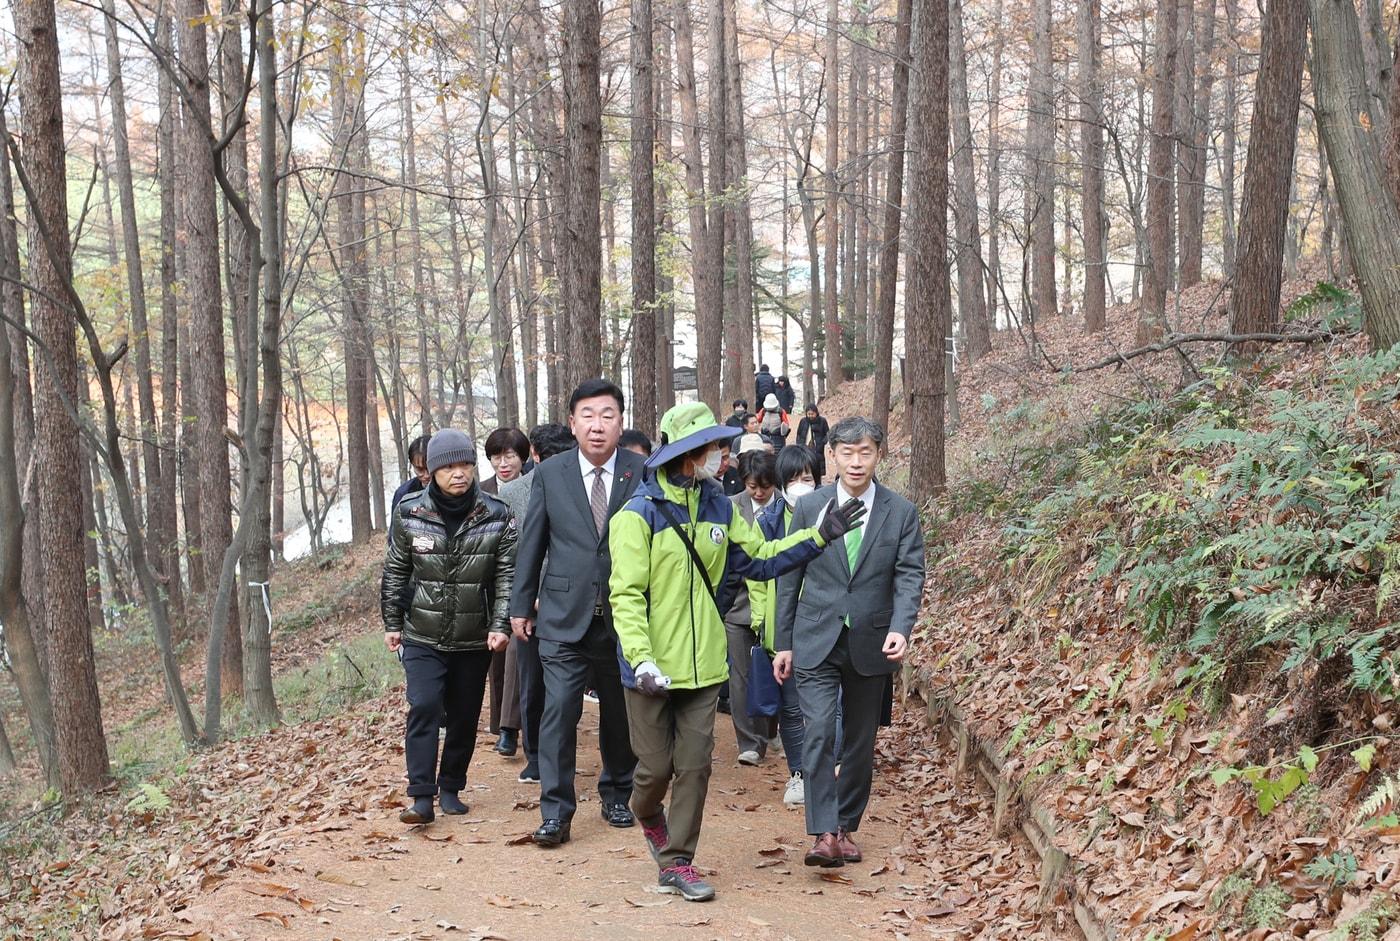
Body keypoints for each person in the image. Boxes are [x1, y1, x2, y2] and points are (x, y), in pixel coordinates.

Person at [609, 402, 866, 901]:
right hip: (649, 669)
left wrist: (819, 536)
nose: (722, 458)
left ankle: (678, 861)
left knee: (695, 765)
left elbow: (761, 559)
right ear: (687, 454)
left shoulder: (720, 508)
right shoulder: (636, 516)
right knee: (654, 771)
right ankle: (645, 813)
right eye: (714, 449)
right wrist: (641, 658)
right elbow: (626, 595)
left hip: (705, 665)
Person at [773, 417, 926, 867]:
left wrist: (902, 626)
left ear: (879, 455)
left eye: (866, 453)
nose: (856, 462)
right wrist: (783, 641)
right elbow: (789, 575)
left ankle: (845, 825)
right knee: (818, 731)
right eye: (847, 453)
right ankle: (823, 833)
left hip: (873, 640)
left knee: (860, 741)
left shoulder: (900, 512)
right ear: (832, 456)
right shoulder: (810, 508)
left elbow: (909, 573)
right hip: (815, 635)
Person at [509, 379, 645, 847]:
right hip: (563, 617)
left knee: (619, 714)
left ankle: (617, 793)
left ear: (620, 421)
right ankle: (556, 811)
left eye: (607, 415)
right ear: (573, 423)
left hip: (624, 618)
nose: (597, 425)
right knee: (559, 712)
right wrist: (520, 605)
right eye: (587, 415)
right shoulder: (551, 474)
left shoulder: (641, 471)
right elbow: (533, 543)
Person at [381, 428, 517, 825]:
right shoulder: (409, 511)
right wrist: (392, 620)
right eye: (449, 467)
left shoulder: (496, 513)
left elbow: (506, 575)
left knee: (463, 714)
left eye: (466, 465)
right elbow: (395, 570)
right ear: (434, 471)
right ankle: (421, 796)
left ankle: (452, 786)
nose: (459, 474)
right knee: (423, 706)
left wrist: (500, 624)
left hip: (474, 636)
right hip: (422, 632)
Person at [498, 424, 577, 784]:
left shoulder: (582, 487)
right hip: (530, 605)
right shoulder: (513, 494)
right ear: (535, 457)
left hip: (571, 602)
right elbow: (511, 552)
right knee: (531, 684)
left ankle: (560, 754)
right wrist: (524, 600)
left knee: (566, 687)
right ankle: (534, 755)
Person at [749, 444, 824, 807]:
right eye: (793, 479)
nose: (800, 485)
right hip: (783, 626)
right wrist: (762, 622)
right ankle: (799, 773)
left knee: (829, 706)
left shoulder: (834, 514)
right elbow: (759, 576)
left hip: (825, 623)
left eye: (807, 478)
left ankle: (827, 769)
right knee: (791, 708)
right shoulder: (768, 522)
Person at [722, 451, 782, 767]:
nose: (758, 493)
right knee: (740, 676)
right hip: (737, 605)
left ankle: (770, 729)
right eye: (751, 486)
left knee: (772, 672)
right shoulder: (731, 506)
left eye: (764, 486)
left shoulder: (788, 508)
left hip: (774, 605)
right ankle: (749, 742)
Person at [481, 427, 531, 496]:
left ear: (522, 458)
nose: (503, 464)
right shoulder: (480, 491)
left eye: (509, 456)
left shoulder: (535, 487)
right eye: (497, 458)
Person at [390, 434, 432, 512]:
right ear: (412, 465)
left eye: (430, 468)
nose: (426, 475)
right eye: (420, 469)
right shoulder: (403, 494)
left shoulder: (453, 489)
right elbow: (396, 522)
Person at [795, 404, 830, 481]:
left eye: (812, 414)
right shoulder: (803, 421)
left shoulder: (822, 421)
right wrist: (799, 444)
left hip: (817, 448)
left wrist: (822, 443)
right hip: (805, 446)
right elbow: (799, 433)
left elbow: (828, 434)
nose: (810, 416)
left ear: (816, 413)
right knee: (805, 466)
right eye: (809, 414)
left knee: (818, 467)